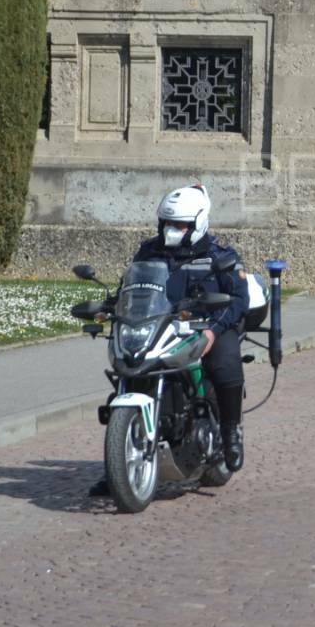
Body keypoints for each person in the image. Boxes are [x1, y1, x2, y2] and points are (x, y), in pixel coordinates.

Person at [90, 184, 250, 496]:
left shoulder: (220, 255)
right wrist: (112, 307)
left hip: (208, 324)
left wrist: (212, 331)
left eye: (180, 225)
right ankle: (117, 469)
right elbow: (132, 287)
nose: (171, 230)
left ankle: (231, 431)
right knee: (131, 371)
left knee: (224, 362)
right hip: (162, 324)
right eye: (167, 223)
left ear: (198, 223)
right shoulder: (149, 251)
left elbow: (238, 300)